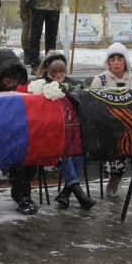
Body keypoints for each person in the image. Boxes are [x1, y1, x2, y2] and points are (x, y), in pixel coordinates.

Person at [29, 52, 95, 211]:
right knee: (64, 155)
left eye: (61, 72)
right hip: (51, 134)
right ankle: (79, 194)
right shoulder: (40, 86)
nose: (59, 76)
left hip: (73, 132)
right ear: (47, 72)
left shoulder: (73, 85)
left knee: (79, 155)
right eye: (54, 72)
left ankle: (65, 194)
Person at [89, 42, 132, 199]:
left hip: (131, 126)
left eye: (119, 59)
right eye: (112, 59)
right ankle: (115, 176)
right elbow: (93, 106)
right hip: (109, 127)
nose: (116, 62)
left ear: (125, 61)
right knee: (116, 142)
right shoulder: (100, 80)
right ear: (108, 62)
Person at [0, 48, 40, 214]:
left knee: (29, 155)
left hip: (17, 138)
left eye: (14, 77)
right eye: (6, 76)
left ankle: (22, 195)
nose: (11, 81)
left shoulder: (26, 92)